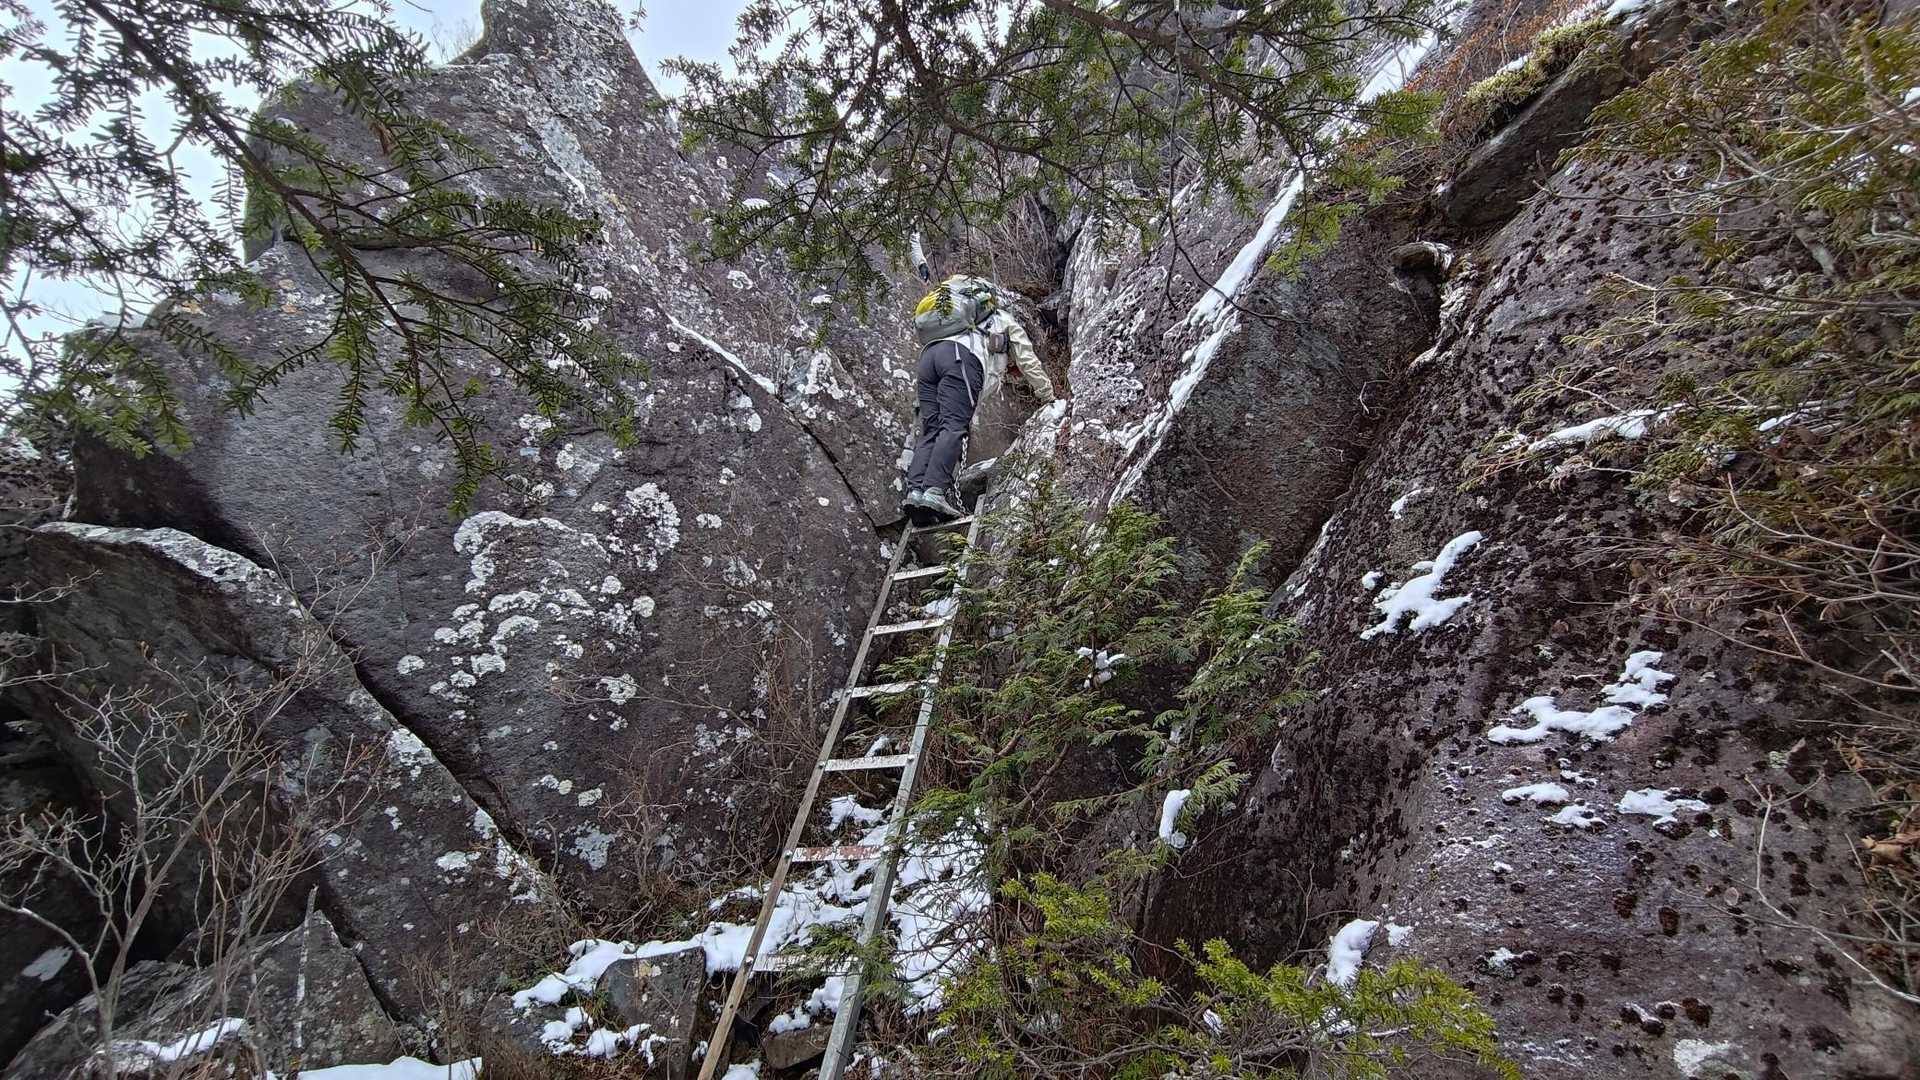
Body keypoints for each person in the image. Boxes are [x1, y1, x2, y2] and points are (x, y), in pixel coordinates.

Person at [903, 273, 1055, 520]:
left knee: (931, 429)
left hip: (928, 358)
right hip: (959, 359)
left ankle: (916, 492)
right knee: (953, 427)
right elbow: (1028, 361)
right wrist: (1048, 396)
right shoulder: (1003, 319)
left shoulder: (960, 324)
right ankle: (934, 492)